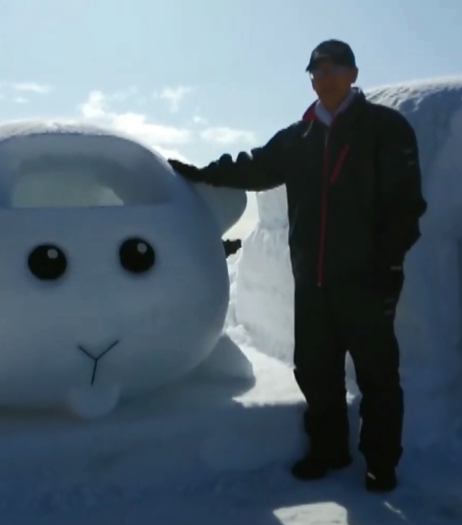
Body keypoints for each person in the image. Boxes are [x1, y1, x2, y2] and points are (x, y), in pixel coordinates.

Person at [169, 39, 426, 493]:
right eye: (317, 71)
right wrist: (199, 173)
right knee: (315, 370)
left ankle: (381, 463)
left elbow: (406, 207)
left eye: (334, 69)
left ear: (353, 74)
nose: (325, 78)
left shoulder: (386, 129)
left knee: (377, 377)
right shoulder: (299, 137)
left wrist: (386, 269)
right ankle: (329, 451)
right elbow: (253, 168)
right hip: (314, 280)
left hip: (367, 281)